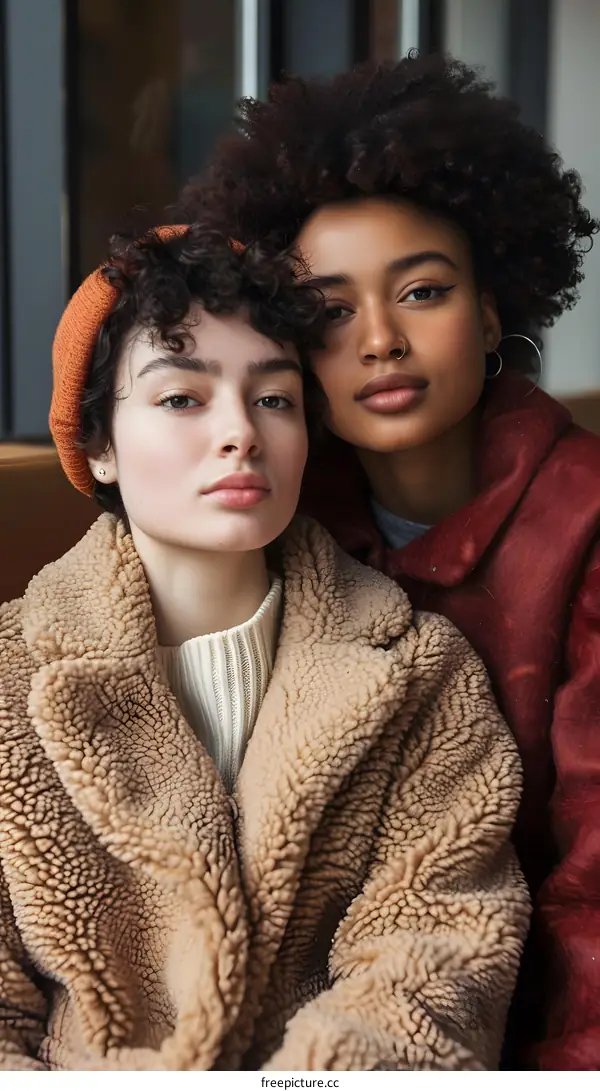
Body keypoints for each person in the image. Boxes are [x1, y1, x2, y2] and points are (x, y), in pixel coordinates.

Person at [0, 225, 528, 1071]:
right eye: (182, 398)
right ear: (97, 444)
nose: (241, 432)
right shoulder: (9, 684)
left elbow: (440, 957)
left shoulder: (424, 673)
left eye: (275, 399)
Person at [181, 52, 600, 1069]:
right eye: (329, 311)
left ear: (493, 312)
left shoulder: (585, 521)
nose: (379, 339)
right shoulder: (271, 519)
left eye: (421, 290)